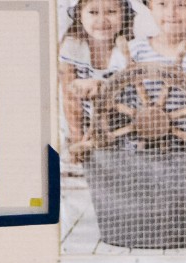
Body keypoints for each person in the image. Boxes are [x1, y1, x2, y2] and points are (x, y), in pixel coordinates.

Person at [58, 0, 133, 159]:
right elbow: (70, 99)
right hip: (81, 127)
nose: (102, 20)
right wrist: (77, 138)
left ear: (124, 15)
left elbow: (133, 97)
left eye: (111, 12)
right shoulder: (72, 47)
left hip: (120, 130)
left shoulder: (129, 49)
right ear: (79, 15)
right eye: (93, 12)